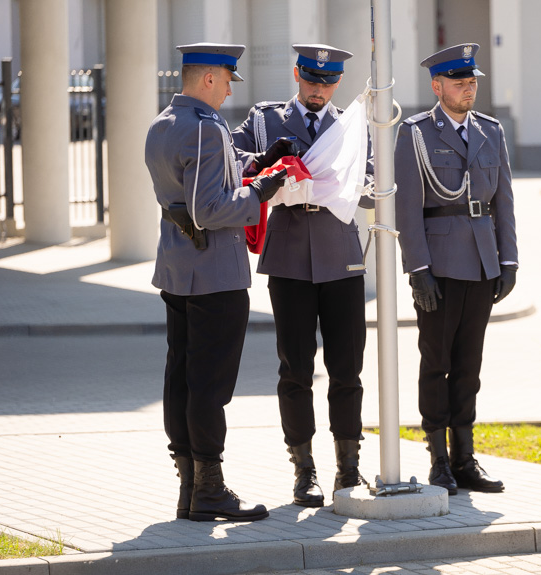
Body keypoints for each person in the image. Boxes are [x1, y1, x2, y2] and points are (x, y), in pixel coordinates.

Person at [145, 42, 293, 522]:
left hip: (177, 268)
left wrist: (255, 162)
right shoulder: (208, 129)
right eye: (228, 78)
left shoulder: (164, 124)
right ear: (208, 78)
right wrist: (260, 190)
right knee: (210, 386)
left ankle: (189, 488)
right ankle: (209, 489)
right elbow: (210, 209)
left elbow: (194, 189)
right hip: (215, 274)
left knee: (181, 378)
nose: (231, 88)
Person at [232, 43, 373, 508]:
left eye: (328, 82)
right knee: (295, 368)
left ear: (338, 84)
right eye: (311, 80)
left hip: (340, 256)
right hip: (290, 254)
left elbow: (370, 182)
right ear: (297, 74)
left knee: (347, 369)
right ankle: (304, 470)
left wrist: (362, 187)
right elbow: (234, 162)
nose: (318, 90)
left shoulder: (350, 125)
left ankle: (348, 469)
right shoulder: (266, 119)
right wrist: (264, 165)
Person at [393, 43, 518, 495]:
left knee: (469, 366)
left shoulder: (491, 131)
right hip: (440, 266)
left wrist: (509, 260)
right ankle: (439, 460)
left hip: (483, 263)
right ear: (437, 86)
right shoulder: (415, 133)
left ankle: (466, 458)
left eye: (472, 81)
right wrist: (418, 268)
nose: (469, 88)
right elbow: (406, 208)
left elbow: (503, 199)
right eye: (459, 82)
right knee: (436, 363)